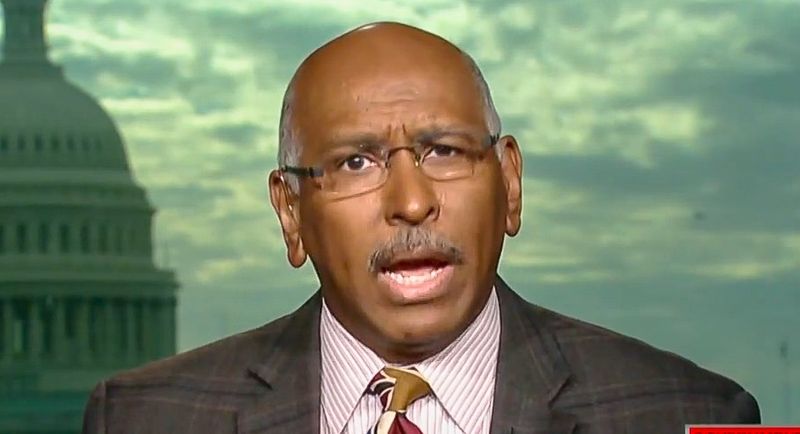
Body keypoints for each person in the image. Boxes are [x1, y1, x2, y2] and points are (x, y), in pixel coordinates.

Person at [82, 22, 760, 434]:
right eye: (355, 162)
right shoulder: (141, 419)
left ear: (510, 184)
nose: (411, 202)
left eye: (445, 152)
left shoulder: (700, 415)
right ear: (291, 212)